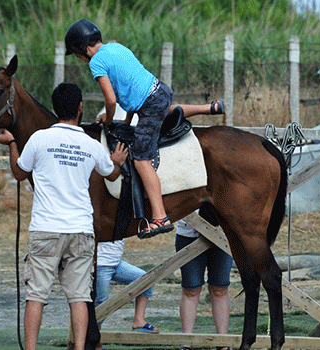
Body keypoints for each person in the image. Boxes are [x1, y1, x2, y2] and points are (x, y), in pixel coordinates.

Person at [0, 82, 129, 350]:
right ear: (80, 108)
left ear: (55, 108)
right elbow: (111, 174)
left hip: (45, 228)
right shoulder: (89, 144)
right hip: (80, 230)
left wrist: (11, 144)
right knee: (79, 297)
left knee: (36, 296)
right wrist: (116, 160)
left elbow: (20, 174)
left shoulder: (40, 139)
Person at [64, 19, 225, 239]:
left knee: (141, 159)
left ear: (83, 49)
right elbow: (132, 88)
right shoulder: (116, 48)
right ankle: (209, 108)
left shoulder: (96, 63)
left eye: (77, 55)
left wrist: (109, 119)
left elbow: (111, 101)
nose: (80, 60)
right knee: (164, 110)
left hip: (148, 106)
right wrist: (127, 121)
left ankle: (160, 217)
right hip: (159, 92)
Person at [175, 208, 234, 350]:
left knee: (220, 289)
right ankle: (186, 344)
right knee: (191, 289)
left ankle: (222, 344)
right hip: (188, 232)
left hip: (223, 233)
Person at [94, 239, 158, 350]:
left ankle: (139, 321)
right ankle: (94, 340)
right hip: (101, 264)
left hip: (116, 263)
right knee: (101, 301)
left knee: (146, 279)